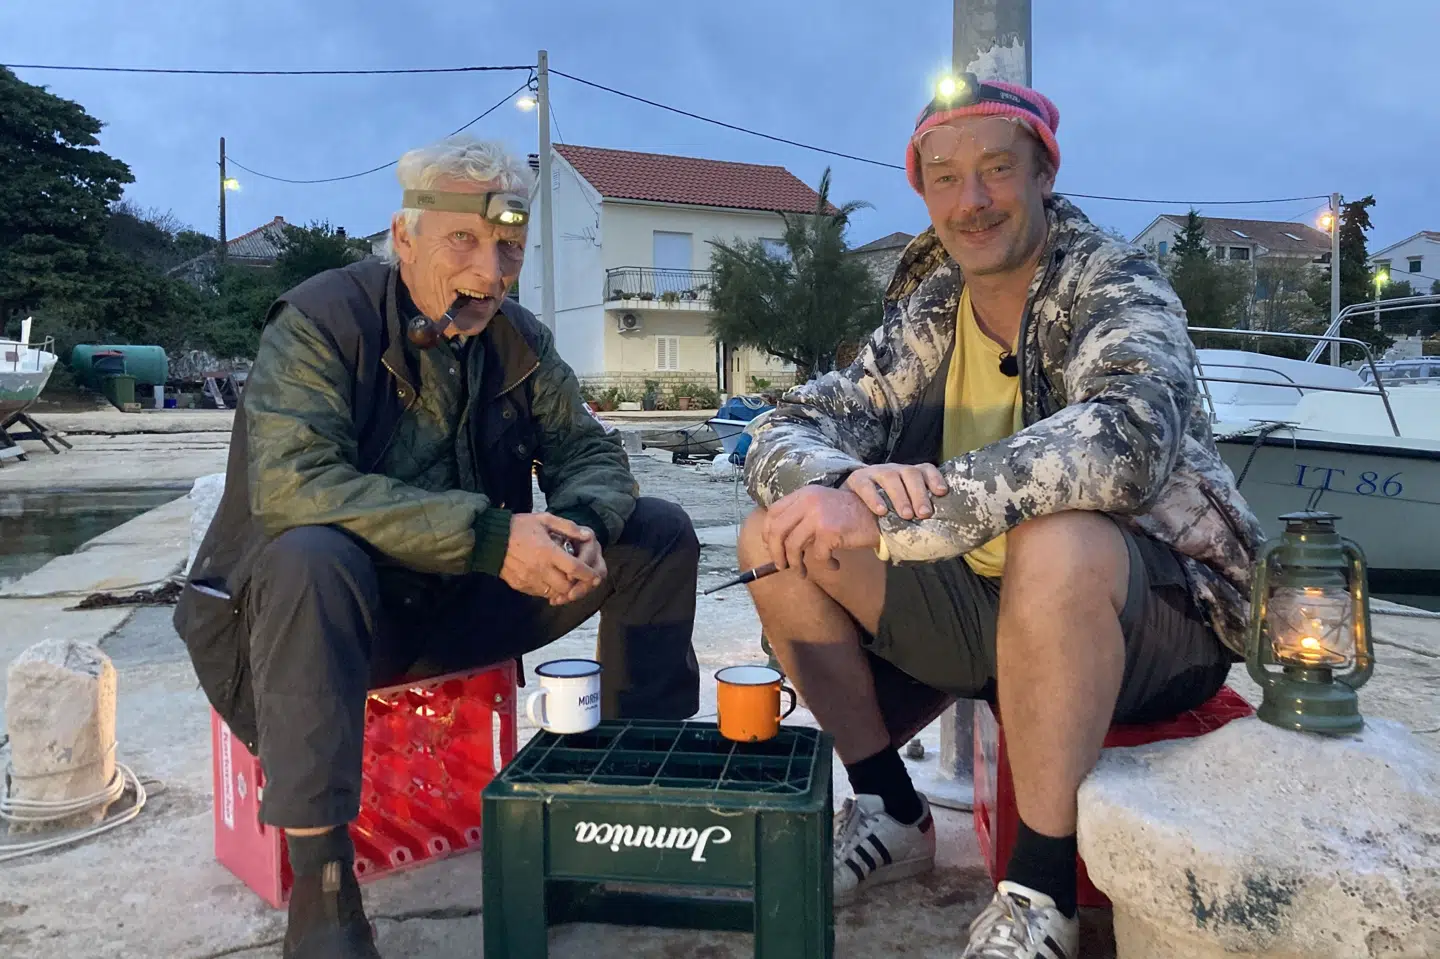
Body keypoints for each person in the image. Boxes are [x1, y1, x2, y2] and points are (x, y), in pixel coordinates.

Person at [738, 76, 1262, 958]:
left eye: (996, 169)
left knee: (1055, 539)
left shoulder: (1113, 280)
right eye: (944, 178)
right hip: (985, 611)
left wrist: (907, 514)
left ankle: (1039, 895)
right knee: (776, 536)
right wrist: (840, 484)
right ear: (923, 193)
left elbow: (1128, 441)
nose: (971, 199)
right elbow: (788, 424)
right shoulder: (931, 310)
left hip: (1157, 617)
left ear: (1044, 172)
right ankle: (891, 810)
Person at [175, 135, 700, 959]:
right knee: (310, 556)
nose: (491, 272)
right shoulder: (320, 321)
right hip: (323, 625)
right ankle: (323, 892)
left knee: (657, 533)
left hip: (454, 603)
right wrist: (490, 538)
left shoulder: (517, 339)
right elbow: (293, 484)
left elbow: (590, 452)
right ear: (404, 236)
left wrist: (582, 528)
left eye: (509, 248)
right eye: (465, 240)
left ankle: (633, 802)